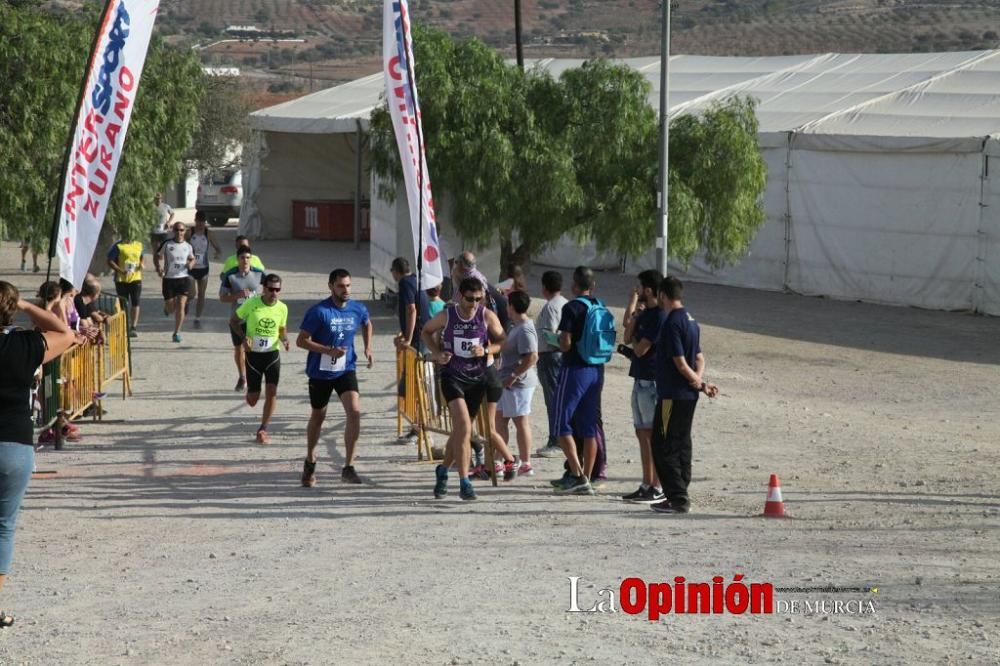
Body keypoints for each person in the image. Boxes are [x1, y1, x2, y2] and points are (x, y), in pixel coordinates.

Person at [0, 282, 75, 627]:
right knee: (3, 528)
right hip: (14, 445)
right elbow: (66, 332)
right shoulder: (27, 344)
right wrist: (28, 306)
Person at [422, 277, 506, 501]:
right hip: (451, 377)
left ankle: (442, 470)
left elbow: (503, 340)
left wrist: (488, 350)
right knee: (462, 426)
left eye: (479, 299)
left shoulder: (486, 315)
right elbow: (426, 331)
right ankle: (464, 481)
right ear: (460, 295)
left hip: (476, 379)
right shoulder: (448, 315)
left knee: (462, 432)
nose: (474, 304)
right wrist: (437, 353)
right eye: (470, 299)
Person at [649, 276, 719, 515]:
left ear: (662, 295)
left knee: (662, 443)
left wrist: (698, 383)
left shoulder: (672, 324)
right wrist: (699, 382)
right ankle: (680, 489)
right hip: (687, 394)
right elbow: (699, 358)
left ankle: (677, 498)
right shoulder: (691, 321)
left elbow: (680, 363)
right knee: (681, 442)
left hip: (672, 394)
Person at [297, 269, 373, 486]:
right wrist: (327, 350)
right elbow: (301, 340)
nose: (345, 290)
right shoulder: (319, 311)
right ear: (330, 286)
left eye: (348, 285)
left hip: (345, 369)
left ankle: (348, 467)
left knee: (355, 412)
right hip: (320, 372)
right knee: (318, 416)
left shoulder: (357, 308)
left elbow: (367, 323)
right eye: (340, 286)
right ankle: (310, 460)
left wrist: (368, 348)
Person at [551, 266, 609, 495]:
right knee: (589, 425)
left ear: (574, 285)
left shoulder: (571, 307)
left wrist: (556, 340)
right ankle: (587, 473)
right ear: (592, 286)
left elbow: (565, 343)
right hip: (597, 368)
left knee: (560, 420)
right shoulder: (600, 306)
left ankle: (577, 474)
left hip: (575, 368)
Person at [620, 269, 666, 504]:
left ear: (648, 289)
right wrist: (634, 309)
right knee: (642, 433)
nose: (636, 290)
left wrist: (636, 331)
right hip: (639, 379)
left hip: (651, 380)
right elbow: (627, 337)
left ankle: (657, 485)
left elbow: (639, 349)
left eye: (639, 288)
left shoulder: (658, 316)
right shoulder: (645, 314)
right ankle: (646, 483)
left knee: (652, 434)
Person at [230, 273, 289, 444]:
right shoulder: (251, 304)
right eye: (271, 289)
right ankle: (250, 391)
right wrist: (243, 339)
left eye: (277, 289)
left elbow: (282, 328)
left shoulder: (282, 308)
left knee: (272, 391)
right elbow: (233, 321)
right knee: (253, 400)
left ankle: (263, 429)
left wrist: (284, 339)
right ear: (264, 288)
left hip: (272, 354)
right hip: (253, 356)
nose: (274, 293)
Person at [495, 290, 539, 477]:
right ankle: (499, 459)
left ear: (511, 306)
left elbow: (532, 356)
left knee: (520, 421)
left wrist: (513, 375)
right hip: (506, 382)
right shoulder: (517, 325)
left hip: (518, 384)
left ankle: (525, 462)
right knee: (499, 420)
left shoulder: (526, 328)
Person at [220, 246, 265, 392]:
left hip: (254, 317)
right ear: (237, 259)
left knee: (253, 348)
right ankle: (242, 376)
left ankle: (253, 376)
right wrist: (237, 295)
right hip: (237, 318)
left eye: (247, 257)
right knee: (239, 348)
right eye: (242, 258)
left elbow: (270, 288)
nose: (245, 260)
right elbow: (222, 298)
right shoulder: (230, 275)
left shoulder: (258, 273)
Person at [534, 270, 567, 458]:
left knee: (553, 400)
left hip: (550, 357)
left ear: (544, 287)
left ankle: (556, 440)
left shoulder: (550, 308)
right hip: (559, 357)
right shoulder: (564, 303)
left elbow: (551, 336)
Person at [154, 221, 195, 343]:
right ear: (173, 231)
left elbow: (192, 258)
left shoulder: (188, 246)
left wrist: (191, 264)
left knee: (181, 305)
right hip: (169, 279)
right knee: (172, 308)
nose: (179, 232)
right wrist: (159, 268)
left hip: (183, 278)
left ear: (185, 231)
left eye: (181, 230)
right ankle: (168, 308)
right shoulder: (167, 244)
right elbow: (157, 256)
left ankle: (177, 332)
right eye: (177, 230)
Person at [186, 211, 222, 329]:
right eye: (198, 221)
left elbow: (218, 248)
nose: (200, 224)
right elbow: (181, 246)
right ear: (195, 220)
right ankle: (186, 301)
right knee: (192, 294)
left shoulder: (208, 233)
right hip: (191, 268)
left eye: (202, 222)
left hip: (204, 268)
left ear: (205, 222)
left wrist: (217, 253)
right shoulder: (189, 232)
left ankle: (197, 318)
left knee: (201, 294)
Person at [107, 233, 145, 337]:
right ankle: (123, 325)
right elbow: (110, 261)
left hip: (136, 278)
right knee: (123, 303)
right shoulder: (118, 246)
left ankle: (133, 327)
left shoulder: (138, 244)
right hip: (121, 279)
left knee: (135, 302)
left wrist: (141, 264)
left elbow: (141, 256)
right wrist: (120, 270)